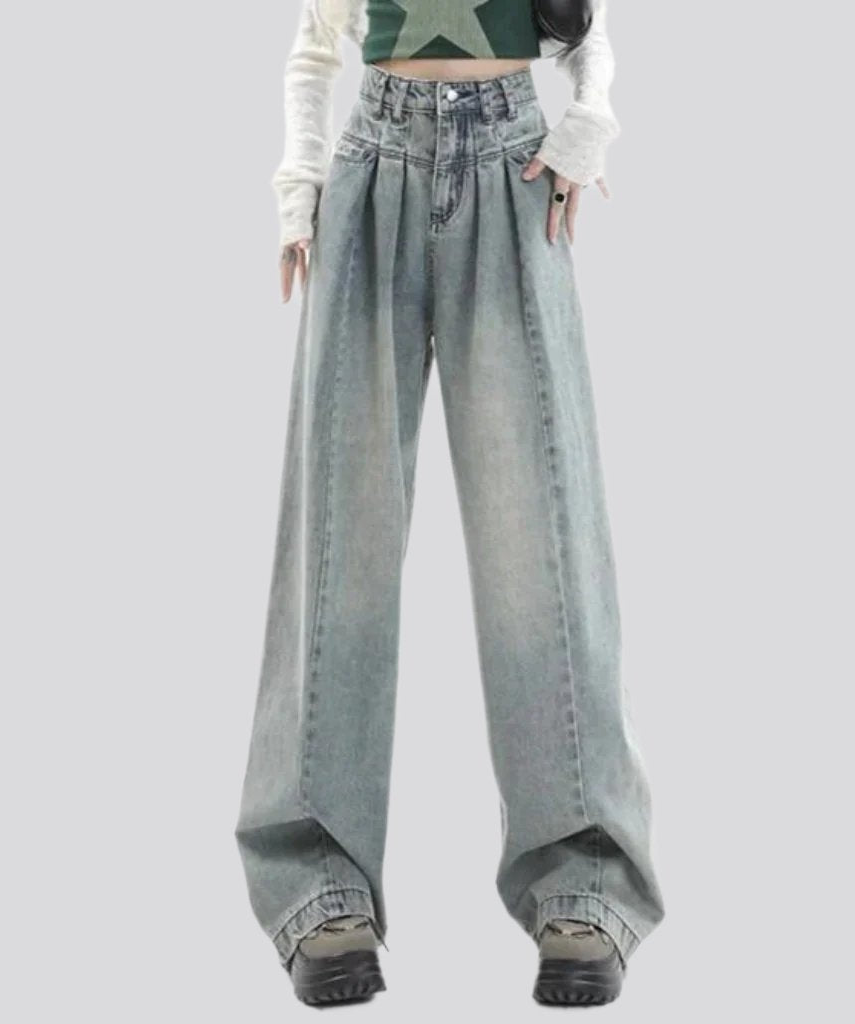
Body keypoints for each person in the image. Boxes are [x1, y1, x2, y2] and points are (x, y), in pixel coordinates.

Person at [235, 0, 665, 1006]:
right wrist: (298, 188)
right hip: (371, 168)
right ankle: (315, 876)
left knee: (541, 535)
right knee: (340, 535)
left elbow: (587, 31)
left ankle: (584, 876)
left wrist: (587, 123)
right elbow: (315, 47)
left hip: (515, 170)